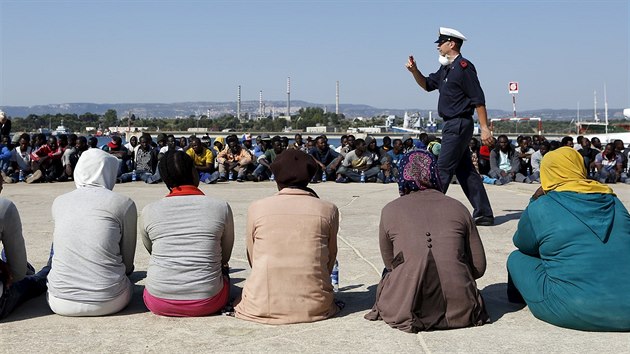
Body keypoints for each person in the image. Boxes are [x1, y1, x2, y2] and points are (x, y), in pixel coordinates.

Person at [506, 147, 630, 331]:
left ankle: (520, 299)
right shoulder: (614, 202)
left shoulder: (542, 205)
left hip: (573, 309)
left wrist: (534, 201)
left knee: (516, 258)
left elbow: (522, 243)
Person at [365, 150, 488, 332]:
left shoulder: (390, 210)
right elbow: (479, 267)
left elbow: (390, 264)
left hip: (405, 309)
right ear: (434, 172)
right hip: (462, 309)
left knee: (392, 270)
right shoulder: (458, 207)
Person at [234, 149, 340, 324]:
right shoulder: (328, 209)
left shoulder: (257, 207)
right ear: (309, 178)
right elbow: (330, 257)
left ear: (276, 178)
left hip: (262, 304)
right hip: (316, 306)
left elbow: (253, 257)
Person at [405, 26, 494, 226]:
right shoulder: (446, 69)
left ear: (451, 44)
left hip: (459, 123)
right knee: (465, 171)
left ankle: (429, 213)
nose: (438, 47)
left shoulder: (464, 67)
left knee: (442, 168)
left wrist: (485, 127)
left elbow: (478, 99)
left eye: (441, 43)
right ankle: (484, 213)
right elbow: (427, 85)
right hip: (451, 125)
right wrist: (414, 71)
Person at [141, 151, 234, 317]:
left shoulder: (149, 210)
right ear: (194, 172)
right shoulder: (220, 207)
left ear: (164, 179)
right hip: (209, 301)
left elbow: (151, 250)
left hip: (158, 300)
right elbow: (224, 257)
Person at [47, 148, 137, 316]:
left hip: (59, 301)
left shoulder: (59, 202)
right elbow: (128, 262)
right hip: (109, 301)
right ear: (109, 172)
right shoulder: (124, 203)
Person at [0, 176, 50, 320]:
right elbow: (17, 274)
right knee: (35, 280)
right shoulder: (4, 207)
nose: (3, 181)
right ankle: (46, 271)